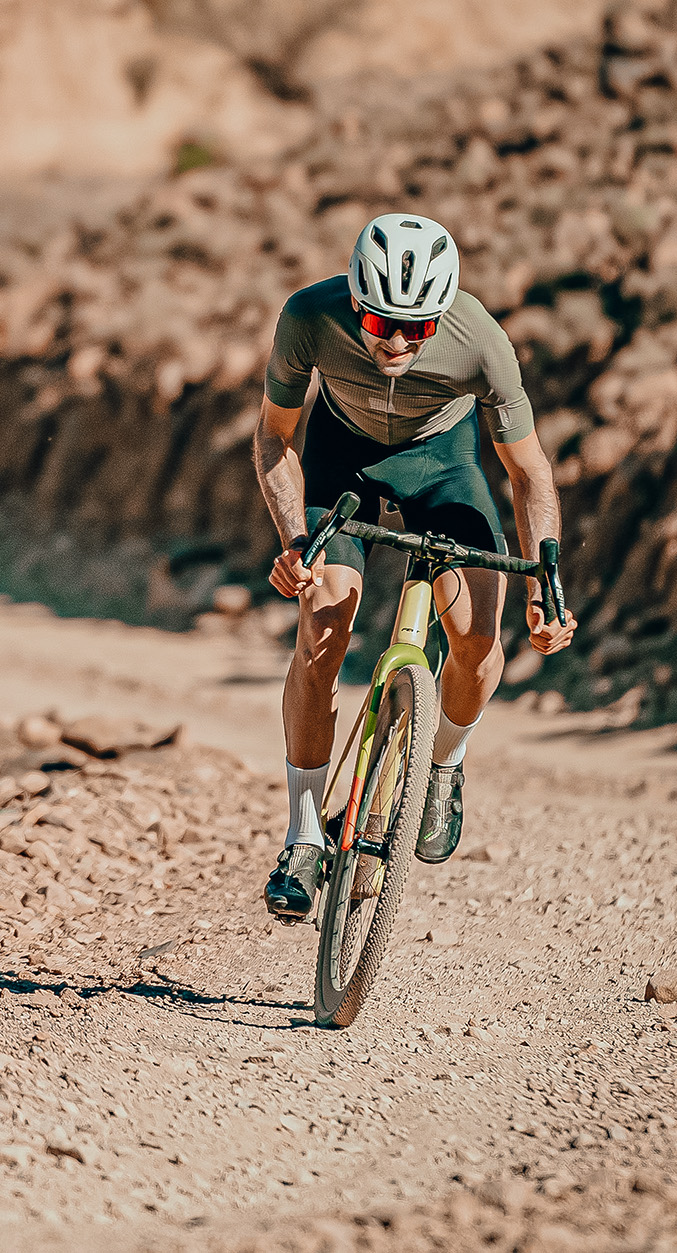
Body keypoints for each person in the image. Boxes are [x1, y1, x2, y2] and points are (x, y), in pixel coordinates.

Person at [252, 213, 577, 921]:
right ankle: (304, 837)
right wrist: (296, 537)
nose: (397, 341)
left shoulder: (482, 341)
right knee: (323, 629)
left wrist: (545, 580)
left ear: (442, 317)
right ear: (354, 298)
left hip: (443, 467)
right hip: (344, 462)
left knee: (479, 641)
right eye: (379, 322)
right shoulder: (309, 316)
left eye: (418, 328)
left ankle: (444, 766)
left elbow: (529, 473)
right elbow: (275, 436)